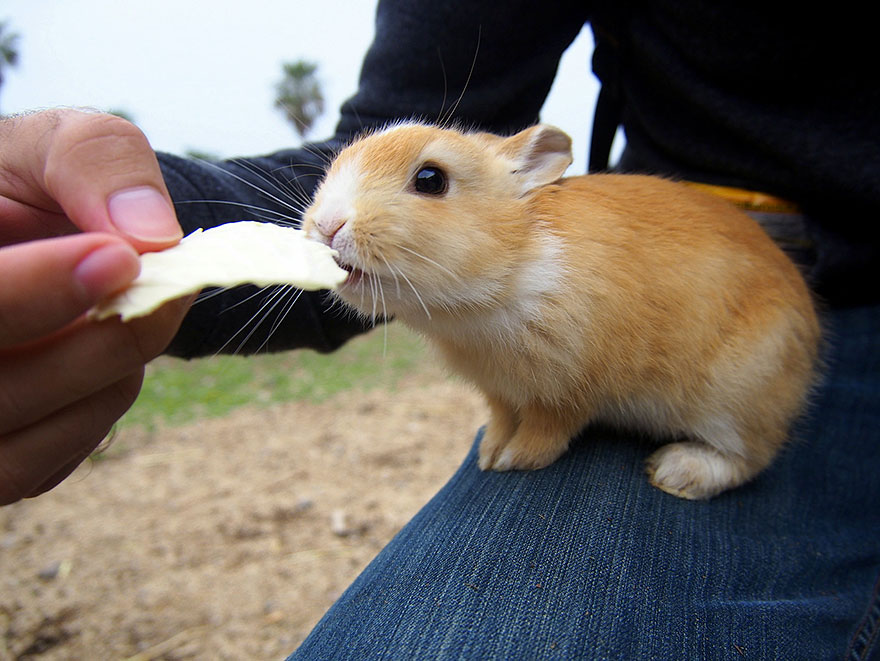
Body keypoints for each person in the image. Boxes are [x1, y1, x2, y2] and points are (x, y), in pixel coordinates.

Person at [1, 0, 878, 657]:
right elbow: (377, 150)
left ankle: (735, 450)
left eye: (426, 182)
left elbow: (593, 359)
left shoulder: (551, 281)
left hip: (758, 313)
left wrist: (544, 422)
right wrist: (113, 238)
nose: (331, 222)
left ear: (523, 180)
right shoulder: (449, 296)